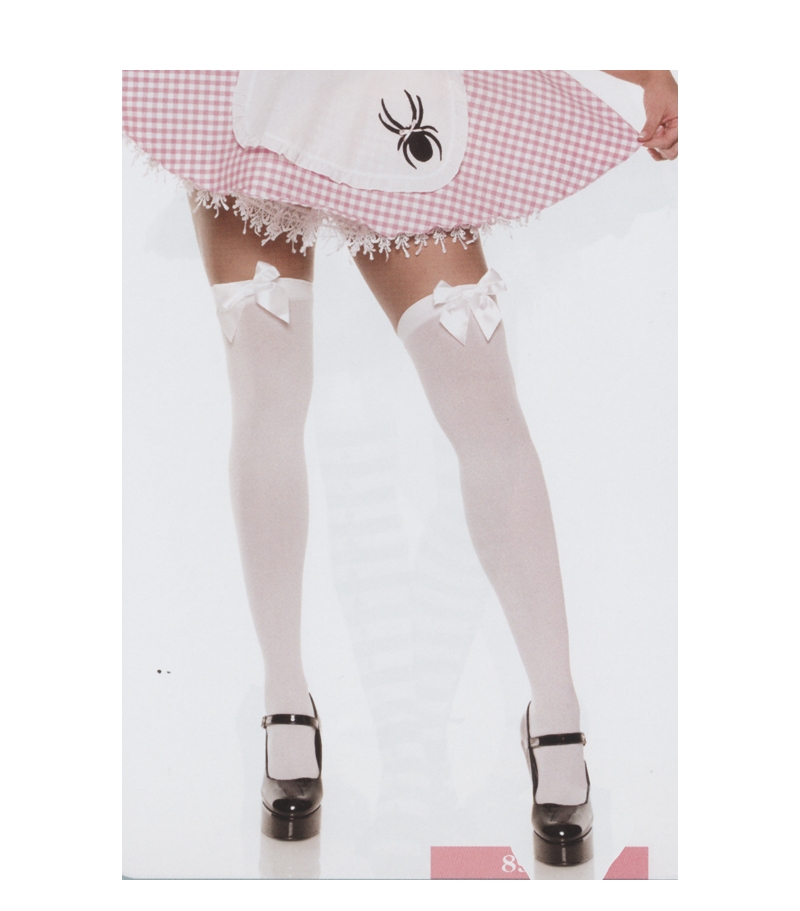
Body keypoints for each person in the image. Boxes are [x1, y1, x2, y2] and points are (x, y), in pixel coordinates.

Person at [123, 69, 677, 864]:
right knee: (267, 391)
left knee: (482, 400)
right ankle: (286, 700)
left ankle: (556, 712)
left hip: (391, 87)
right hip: (264, 73)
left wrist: (646, 70)